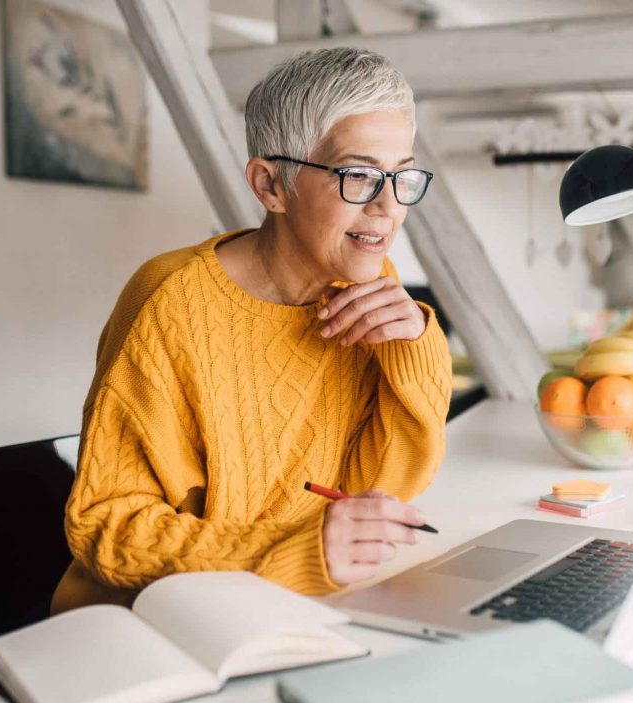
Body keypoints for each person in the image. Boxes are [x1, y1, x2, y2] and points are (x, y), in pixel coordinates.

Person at [50, 47, 453, 614]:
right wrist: (290, 550)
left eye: (402, 175)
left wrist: (416, 348)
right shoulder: (170, 301)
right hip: (149, 615)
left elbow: (382, 490)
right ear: (270, 186)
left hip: (287, 602)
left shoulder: (362, 284)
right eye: (358, 175)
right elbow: (108, 528)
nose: (389, 206)